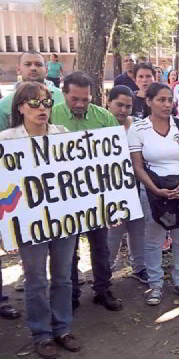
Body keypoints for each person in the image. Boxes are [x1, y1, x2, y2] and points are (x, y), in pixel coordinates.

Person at [0, 82, 81, 358]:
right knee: (36, 279)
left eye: (46, 102)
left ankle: (62, 328)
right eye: (33, 103)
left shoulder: (63, 134)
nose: (41, 108)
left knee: (63, 277)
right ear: (21, 107)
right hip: (29, 222)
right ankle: (41, 334)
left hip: (62, 219)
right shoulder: (6, 140)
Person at [50, 71, 123, 312]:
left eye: (85, 99)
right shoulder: (49, 115)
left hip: (96, 195)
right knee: (67, 249)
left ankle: (103, 290)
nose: (80, 104)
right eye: (74, 99)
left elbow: (116, 159)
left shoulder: (104, 118)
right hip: (63, 196)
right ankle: (70, 294)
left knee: (100, 245)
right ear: (64, 95)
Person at [127, 82, 179, 305]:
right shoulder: (138, 128)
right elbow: (137, 165)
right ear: (148, 101)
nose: (167, 104)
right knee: (154, 239)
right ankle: (155, 284)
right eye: (161, 99)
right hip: (152, 191)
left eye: (169, 100)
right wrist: (155, 189)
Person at [104, 85, 149, 284]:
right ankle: (105, 270)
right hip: (111, 187)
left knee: (138, 229)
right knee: (113, 231)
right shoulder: (101, 125)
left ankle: (139, 267)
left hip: (137, 184)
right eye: (119, 105)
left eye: (128, 106)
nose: (123, 110)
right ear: (108, 102)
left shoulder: (139, 125)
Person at [0, 51, 65, 131]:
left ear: (46, 70)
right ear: (18, 69)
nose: (33, 68)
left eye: (38, 64)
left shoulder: (63, 97)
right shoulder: (3, 105)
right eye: (27, 64)